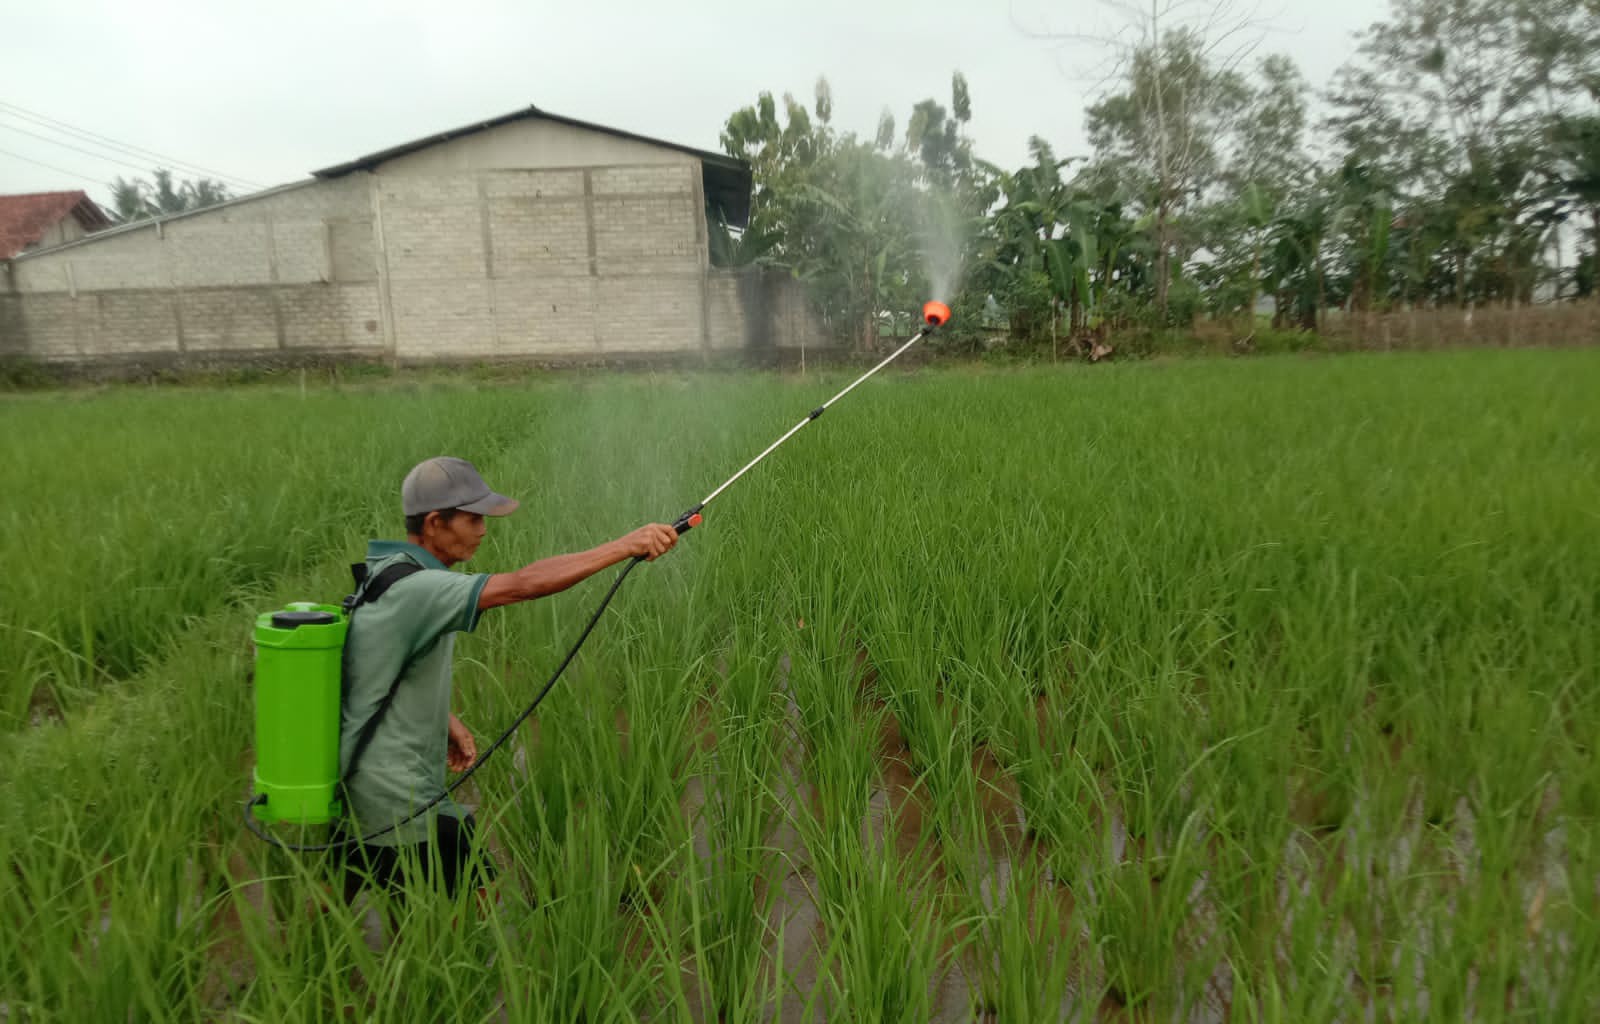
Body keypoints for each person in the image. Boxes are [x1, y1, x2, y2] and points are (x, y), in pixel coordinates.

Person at [337, 455, 679, 902]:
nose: (482, 529)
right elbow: (521, 584)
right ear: (436, 523)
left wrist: (444, 717)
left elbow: (376, 664)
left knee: (407, 918)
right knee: (473, 909)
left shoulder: (388, 569)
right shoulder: (420, 588)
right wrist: (624, 546)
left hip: (365, 787)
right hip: (399, 801)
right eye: (472, 518)